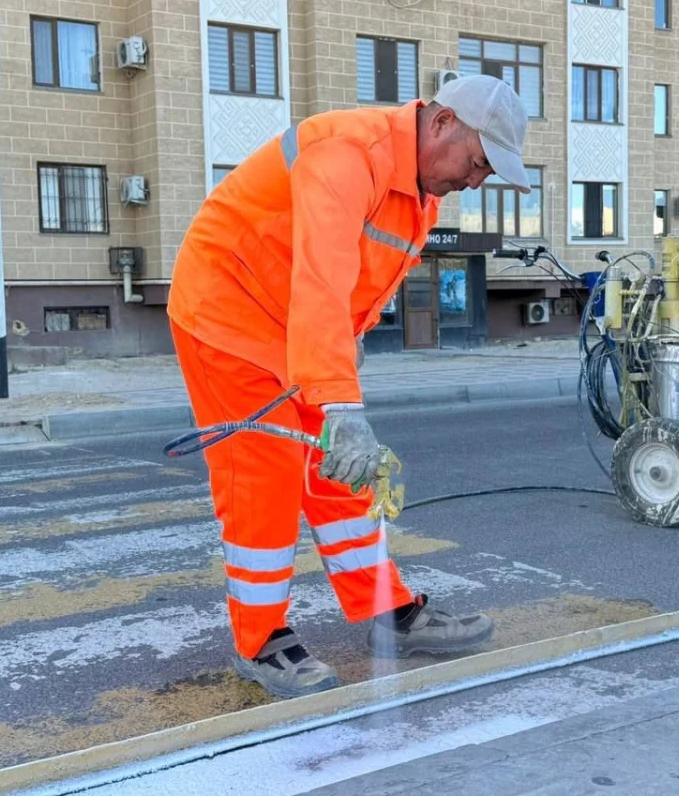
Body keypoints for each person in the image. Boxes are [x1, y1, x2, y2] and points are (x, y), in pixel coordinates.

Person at [167, 74, 531, 699]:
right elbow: (321, 278)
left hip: (295, 329)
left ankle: (386, 610)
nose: (476, 181)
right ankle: (259, 640)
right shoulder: (347, 154)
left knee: (341, 475)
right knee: (263, 477)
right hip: (228, 315)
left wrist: (344, 354)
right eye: (477, 163)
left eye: (487, 174)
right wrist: (340, 400)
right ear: (442, 122)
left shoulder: (419, 192)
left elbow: (356, 284)